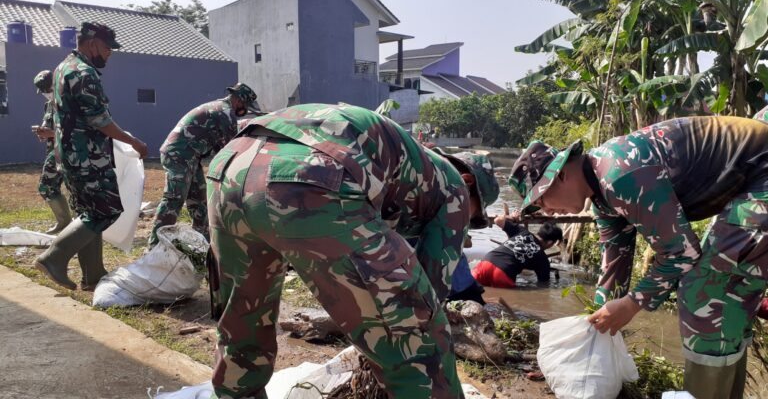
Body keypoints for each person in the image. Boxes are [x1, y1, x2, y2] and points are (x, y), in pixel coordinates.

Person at [206, 103, 499, 399]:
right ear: (469, 183)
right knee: (420, 341)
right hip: (310, 174)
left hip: (230, 167)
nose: (469, 224)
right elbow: (431, 290)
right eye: (475, 216)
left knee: (244, 320)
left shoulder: (416, 165)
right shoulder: (455, 189)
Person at [509, 116, 768, 399]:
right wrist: (589, 334)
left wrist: (633, 304)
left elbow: (682, 252)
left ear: (559, 176)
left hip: (761, 177)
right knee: (729, 299)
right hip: (750, 183)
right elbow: (614, 264)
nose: (546, 213)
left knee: (701, 290)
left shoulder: (618, 175)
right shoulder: (600, 192)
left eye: (541, 201)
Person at [34, 22, 148, 291]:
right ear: (93, 42)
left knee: (88, 213)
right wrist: (135, 142)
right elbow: (99, 120)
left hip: (70, 156)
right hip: (87, 158)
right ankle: (54, 257)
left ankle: (93, 275)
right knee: (105, 210)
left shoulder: (63, 68)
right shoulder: (84, 73)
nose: (110, 53)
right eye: (108, 48)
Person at [148, 83, 259, 246]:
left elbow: (217, 146)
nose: (245, 110)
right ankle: (154, 246)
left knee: (199, 201)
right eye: (245, 106)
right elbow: (231, 150)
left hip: (190, 156)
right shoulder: (225, 113)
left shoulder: (219, 108)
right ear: (239, 101)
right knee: (174, 199)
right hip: (179, 154)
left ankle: (205, 245)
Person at [472, 205, 562, 288]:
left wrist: (511, 218)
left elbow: (497, 220)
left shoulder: (522, 231)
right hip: (503, 273)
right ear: (550, 242)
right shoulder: (542, 259)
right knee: (500, 303)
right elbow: (543, 284)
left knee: (468, 292)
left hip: (486, 262)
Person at [30, 70, 71, 234]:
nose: (47, 94)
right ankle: (65, 222)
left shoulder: (69, 102)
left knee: (48, 186)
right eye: (44, 91)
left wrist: (52, 134)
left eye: (48, 89)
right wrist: (43, 133)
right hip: (54, 151)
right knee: (49, 186)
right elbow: (49, 126)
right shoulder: (49, 105)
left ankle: (69, 224)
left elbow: (79, 131)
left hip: (70, 151)